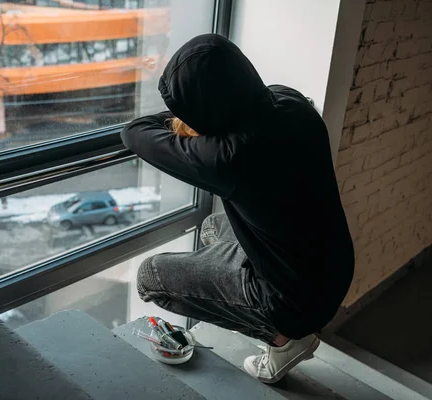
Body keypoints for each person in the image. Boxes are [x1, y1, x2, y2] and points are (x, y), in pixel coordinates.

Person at [120, 34, 354, 384]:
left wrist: (186, 117)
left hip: (294, 302)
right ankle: (237, 284)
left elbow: (134, 132)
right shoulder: (290, 102)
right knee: (214, 226)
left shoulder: (230, 158)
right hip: (333, 269)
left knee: (150, 277)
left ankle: (283, 338)